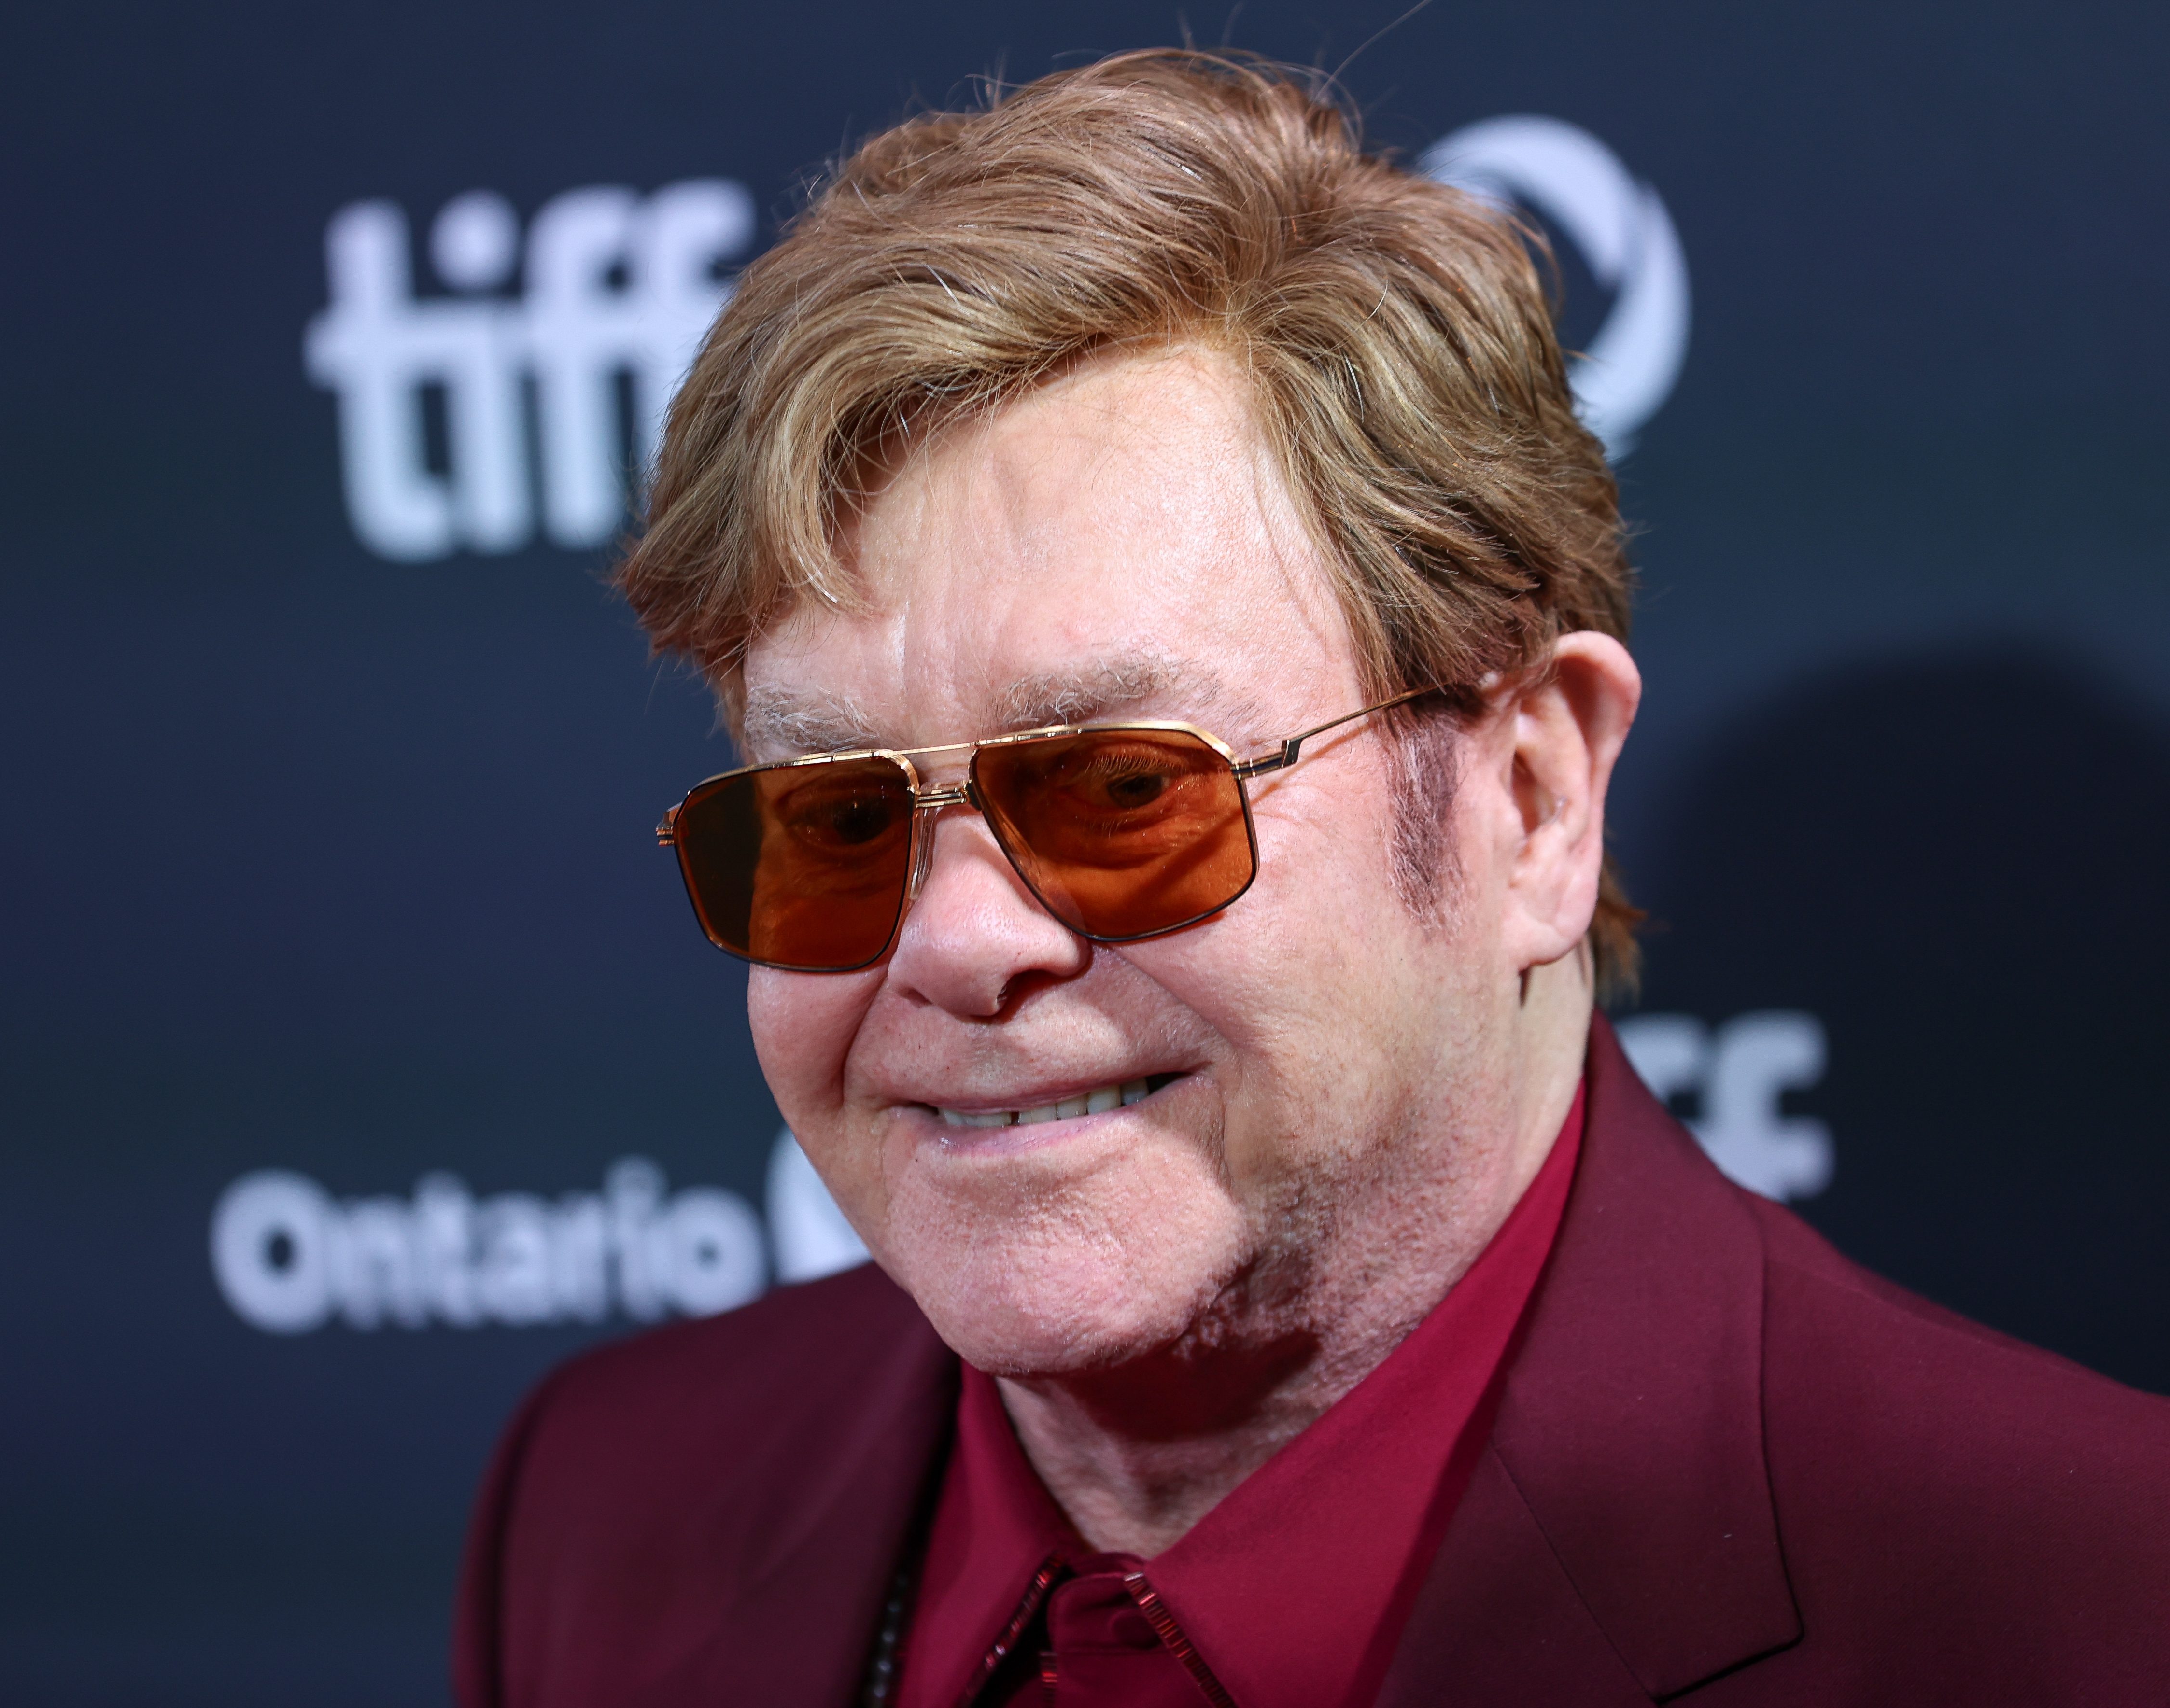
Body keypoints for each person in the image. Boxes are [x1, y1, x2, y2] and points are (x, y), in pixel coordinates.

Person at [453, 49, 2170, 1708]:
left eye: (1126, 787)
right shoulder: (602, 1514)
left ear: (1531, 800)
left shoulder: (2082, 1615)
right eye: (839, 818)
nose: (960, 941)